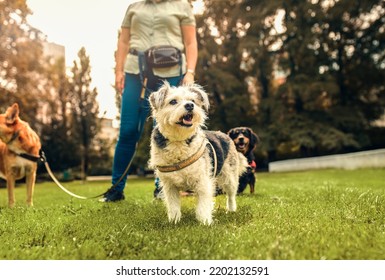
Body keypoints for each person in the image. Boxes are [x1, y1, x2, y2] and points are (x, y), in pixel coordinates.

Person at [100, 0, 198, 202]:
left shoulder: (181, 6)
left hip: (170, 71)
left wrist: (190, 72)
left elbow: (190, 42)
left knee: (164, 131)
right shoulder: (134, 8)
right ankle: (116, 189)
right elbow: (124, 41)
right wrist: (119, 71)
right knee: (127, 130)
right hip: (135, 72)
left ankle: (162, 189)